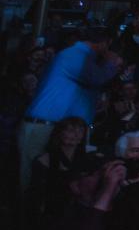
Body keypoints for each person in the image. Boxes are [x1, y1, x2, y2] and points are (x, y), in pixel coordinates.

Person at [20, 28, 122, 190]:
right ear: (104, 43)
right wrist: (110, 63)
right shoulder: (75, 55)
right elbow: (96, 78)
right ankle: (26, 214)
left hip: (63, 126)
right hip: (45, 125)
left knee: (62, 183)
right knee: (33, 179)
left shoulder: (84, 58)